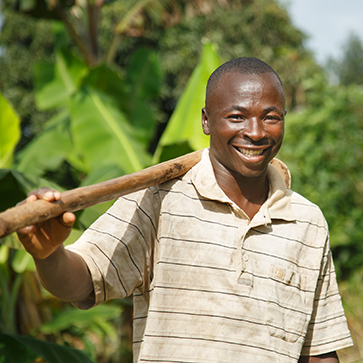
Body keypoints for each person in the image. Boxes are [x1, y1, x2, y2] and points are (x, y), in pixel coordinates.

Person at [17, 57, 353, 362]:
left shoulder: (307, 222)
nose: (254, 132)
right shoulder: (161, 200)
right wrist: (48, 254)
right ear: (207, 121)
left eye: (270, 118)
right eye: (236, 117)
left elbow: (319, 352)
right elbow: (83, 282)